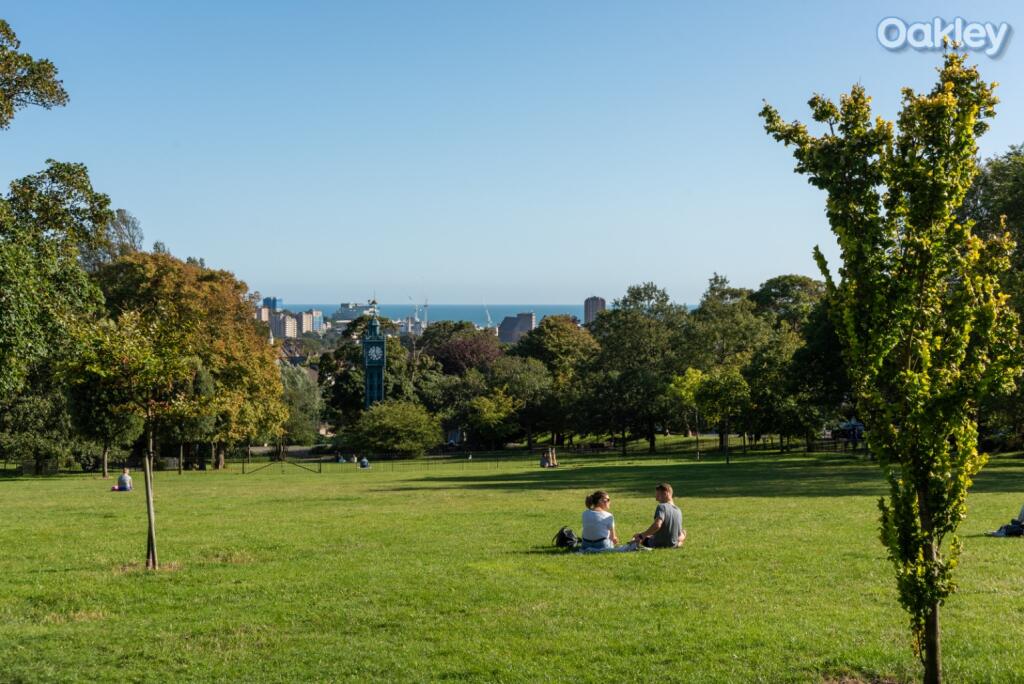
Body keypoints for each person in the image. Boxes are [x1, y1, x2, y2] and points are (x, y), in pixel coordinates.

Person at [631, 483, 685, 549]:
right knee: (684, 532)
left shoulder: (662, 506)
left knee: (636, 536)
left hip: (658, 544)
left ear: (666, 493)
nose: (656, 499)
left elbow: (657, 525)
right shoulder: (678, 510)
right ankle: (678, 544)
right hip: (672, 545)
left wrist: (642, 536)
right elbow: (679, 534)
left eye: (658, 495)